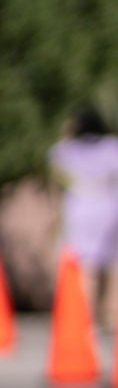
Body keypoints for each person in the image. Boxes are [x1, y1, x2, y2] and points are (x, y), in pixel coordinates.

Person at [50, 106, 118, 327]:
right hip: (109, 205)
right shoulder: (111, 146)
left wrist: (67, 132)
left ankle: (87, 318)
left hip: (81, 207)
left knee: (87, 268)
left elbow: (56, 165)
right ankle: (113, 315)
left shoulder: (67, 150)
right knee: (113, 264)